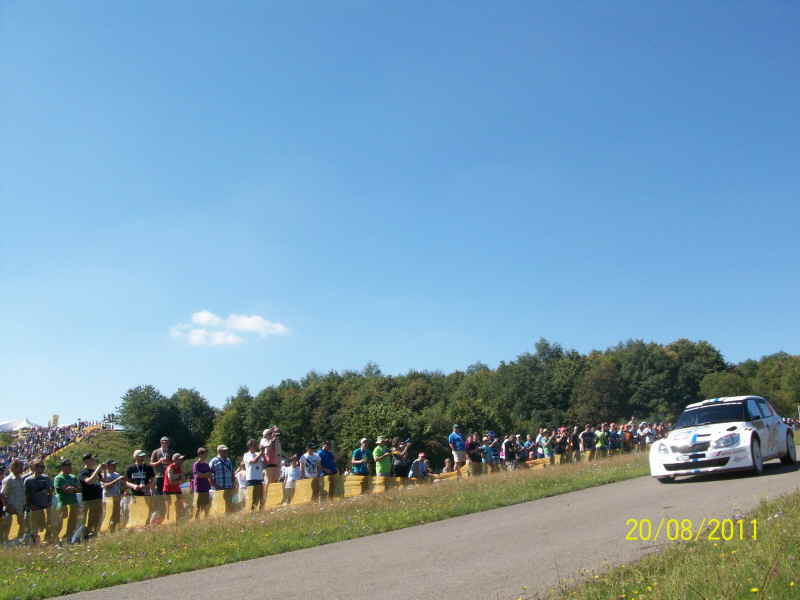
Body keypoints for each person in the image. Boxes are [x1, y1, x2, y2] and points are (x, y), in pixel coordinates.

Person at [25, 459, 54, 544]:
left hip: (45, 506)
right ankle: (35, 543)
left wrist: (49, 502)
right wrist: (29, 506)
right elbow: (26, 495)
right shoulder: (28, 480)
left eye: (42, 466)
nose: (40, 468)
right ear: (33, 467)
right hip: (34, 507)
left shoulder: (46, 478)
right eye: (38, 466)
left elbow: (50, 491)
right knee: (34, 527)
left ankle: (46, 541)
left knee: (46, 525)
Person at [53, 459, 81, 543]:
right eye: (67, 466)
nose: (69, 467)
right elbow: (61, 489)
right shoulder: (58, 478)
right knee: (61, 523)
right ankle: (57, 540)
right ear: (62, 467)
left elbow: (79, 488)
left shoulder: (73, 477)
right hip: (63, 504)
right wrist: (70, 489)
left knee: (73, 522)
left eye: (70, 466)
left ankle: (69, 539)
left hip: (73, 503)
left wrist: (71, 488)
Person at [78, 453, 104, 538]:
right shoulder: (83, 472)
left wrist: (104, 470)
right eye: (92, 459)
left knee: (97, 518)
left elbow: (104, 480)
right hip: (89, 500)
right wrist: (97, 469)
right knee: (88, 519)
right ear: (87, 461)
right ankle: (84, 536)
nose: (94, 460)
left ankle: (94, 535)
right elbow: (88, 481)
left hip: (98, 498)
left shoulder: (95, 471)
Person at [0, 459, 25, 543]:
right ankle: (4, 541)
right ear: (14, 468)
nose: (22, 469)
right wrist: (7, 506)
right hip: (11, 508)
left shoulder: (20, 478)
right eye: (20, 467)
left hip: (20, 507)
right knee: (7, 526)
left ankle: (18, 541)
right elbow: (2, 494)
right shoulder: (8, 480)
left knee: (22, 525)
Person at [209, 445, 237, 513]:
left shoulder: (228, 460)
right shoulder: (213, 461)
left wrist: (233, 483)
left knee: (229, 506)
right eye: (224, 451)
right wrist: (215, 486)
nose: (226, 452)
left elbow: (232, 473)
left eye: (226, 451)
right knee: (219, 507)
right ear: (219, 451)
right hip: (218, 488)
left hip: (229, 487)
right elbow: (209, 476)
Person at [100, 459, 124, 532]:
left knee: (116, 516)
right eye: (112, 465)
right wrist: (117, 480)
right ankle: (104, 530)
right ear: (107, 466)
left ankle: (112, 531)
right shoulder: (103, 475)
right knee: (108, 515)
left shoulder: (117, 474)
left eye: (115, 465)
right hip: (108, 498)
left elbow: (119, 486)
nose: (114, 466)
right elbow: (106, 486)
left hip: (117, 497)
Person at [243, 439, 267, 511]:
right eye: (253, 445)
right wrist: (261, 453)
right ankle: (251, 511)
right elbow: (254, 461)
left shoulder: (258, 454)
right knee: (252, 498)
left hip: (259, 478)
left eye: (256, 445)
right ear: (249, 446)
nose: (255, 446)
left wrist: (264, 454)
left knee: (261, 497)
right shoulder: (246, 455)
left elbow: (265, 464)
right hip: (251, 479)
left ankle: (260, 511)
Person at [192, 448, 213, 519]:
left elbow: (210, 474)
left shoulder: (206, 464)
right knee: (198, 506)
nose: (206, 455)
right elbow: (198, 475)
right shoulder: (196, 464)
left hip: (206, 487)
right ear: (200, 455)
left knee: (206, 505)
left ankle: (205, 519)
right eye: (205, 454)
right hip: (198, 488)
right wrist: (206, 474)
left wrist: (203, 474)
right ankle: (196, 519)